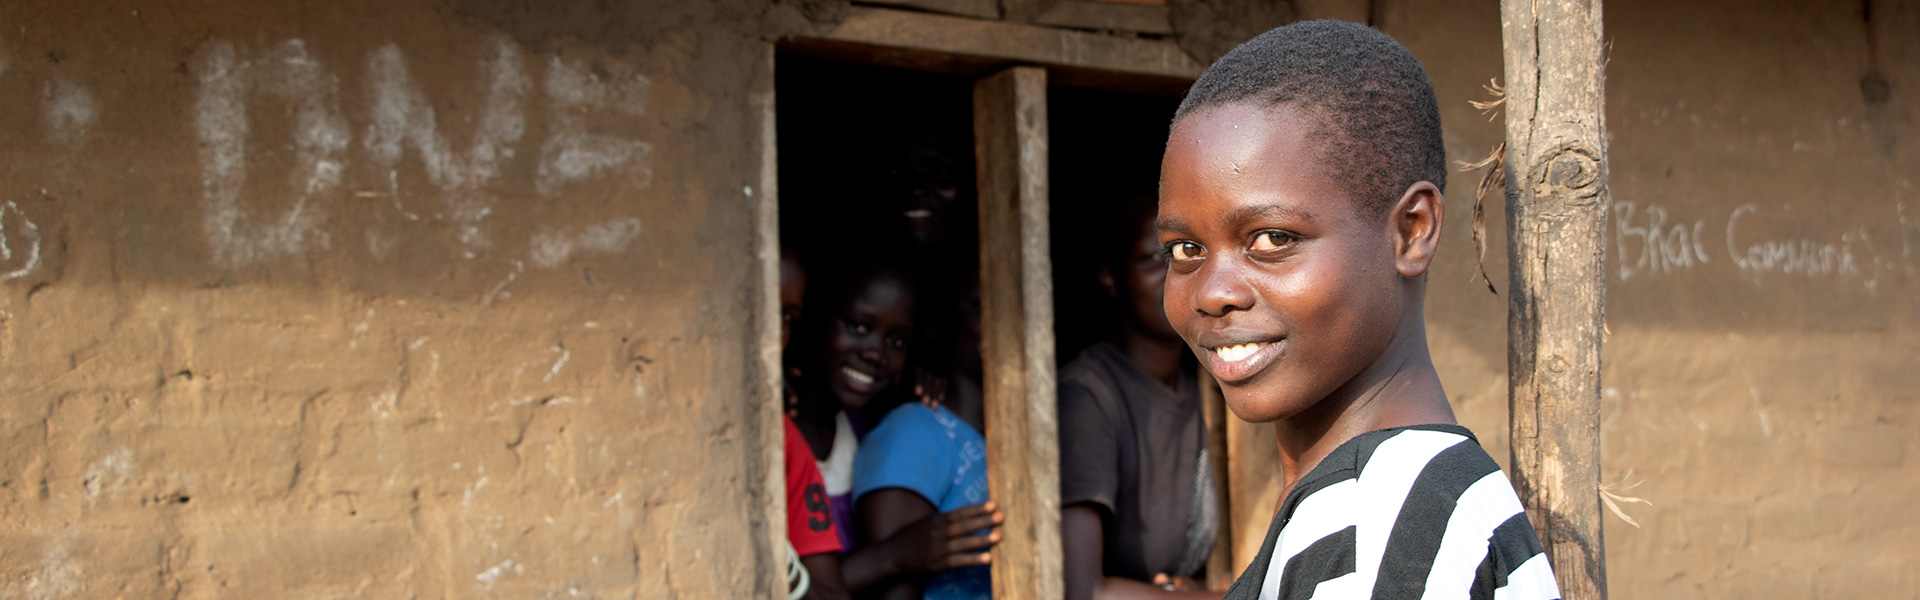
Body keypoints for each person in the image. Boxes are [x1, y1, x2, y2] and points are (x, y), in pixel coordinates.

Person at [1156, 20, 1561, 599]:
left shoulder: (1381, 535)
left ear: (1411, 231)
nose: (1212, 292)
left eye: (1272, 239)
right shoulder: (1375, 511)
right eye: (1186, 250)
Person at [787, 254, 1004, 596]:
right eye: (858, 327)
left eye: (897, 341)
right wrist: (895, 555)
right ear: (810, 318)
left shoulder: (861, 426)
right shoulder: (778, 441)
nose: (876, 354)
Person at [1059, 192, 1222, 600]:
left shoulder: (1210, 384)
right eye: (1151, 258)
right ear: (1110, 278)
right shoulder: (1087, 398)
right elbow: (1084, 591)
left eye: (1183, 253)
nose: (1171, 274)